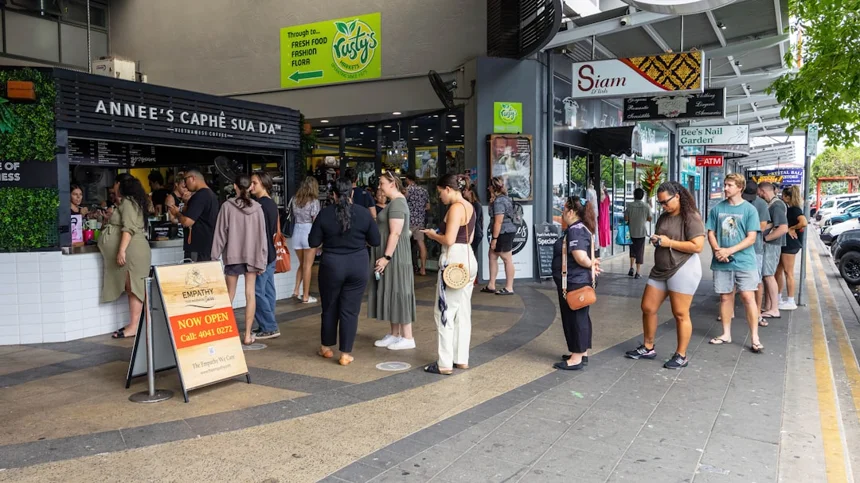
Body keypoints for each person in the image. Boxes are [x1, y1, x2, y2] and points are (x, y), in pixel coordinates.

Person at [625, 182, 705, 369]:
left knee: (680, 313)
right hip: (661, 268)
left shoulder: (691, 217)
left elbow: (697, 246)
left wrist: (669, 242)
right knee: (647, 307)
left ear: (677, 196)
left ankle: (681, 355)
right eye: (660, 203)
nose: (663, 206)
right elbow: (663, 237)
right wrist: (657, 240)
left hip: (683, 267)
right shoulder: (663, 217)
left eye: (666, 202)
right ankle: (648, 346)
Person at [308, 178, 381, 366]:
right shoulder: (364, 214)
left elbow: (313, 242)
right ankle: (346, 354)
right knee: (350, 310)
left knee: (330, 306)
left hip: (331, 265)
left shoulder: (324, 214)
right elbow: (375, 241)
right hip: (358, 265)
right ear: (352, 194)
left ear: (333, 195)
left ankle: (326, 347)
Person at [421, 174, 477, 375]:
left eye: (440, 193)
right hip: (469, 258)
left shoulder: (455, 208)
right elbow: (468, 236)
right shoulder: (470, 206)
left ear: (448, 189)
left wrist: (432, 235)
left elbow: (449, 239)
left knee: (444, 311)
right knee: (462, 311)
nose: (439, 198)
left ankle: (444, 362)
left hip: (453, 259)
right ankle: (461, 358)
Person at [707, 174, 764, 353]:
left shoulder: (749, 210)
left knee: (748, 297)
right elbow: (711, 232)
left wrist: (728, 251)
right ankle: (726, 334)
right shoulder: (717, 209)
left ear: (740, 187)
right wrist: (718, 251)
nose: (725, 188)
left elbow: (751, 238)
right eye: (725, 185)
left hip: (745, 261)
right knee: (725, 297)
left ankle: (755, 337)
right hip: (722, 260)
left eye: (729, 185)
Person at [211, 174, 268, 346]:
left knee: (229, 294)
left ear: (235, 186)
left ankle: (225, 333)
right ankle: (248, 335)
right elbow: (262, 237)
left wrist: (214, 257)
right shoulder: (258, 208)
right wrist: (262, 260)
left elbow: (220, 234)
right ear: (250, 187)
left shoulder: (227, 207)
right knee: (250, 295)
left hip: (232, 256)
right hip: (252, 257)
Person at [99, 174, 152, 339]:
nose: (112, 188)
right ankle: (137, 325)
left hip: (132, 251)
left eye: (114, 183)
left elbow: (129, 228)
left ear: (120, 184)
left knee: (134, 288)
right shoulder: (130, 202)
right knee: (133, 288)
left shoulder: (128, 202)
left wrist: (121, 250)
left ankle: (135, 326)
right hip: (133, 250)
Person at [369, 171, 417, 350]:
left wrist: (386, 257)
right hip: (392, 255)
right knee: (392, 290)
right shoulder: (395, 203)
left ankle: (407, 337)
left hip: (394, 256)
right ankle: (395, 334)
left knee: (399, 291)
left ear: (392, 184)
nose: (379, 186)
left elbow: (395, 233)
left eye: (381, 183)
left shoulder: (397, 204)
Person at [553, 196, 600, 370]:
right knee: (580, 316)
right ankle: (581, 351)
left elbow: (580, 256)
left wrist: (590, 264)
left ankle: (576, 358)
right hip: (577, 280)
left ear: (571, 212)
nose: (563, 213)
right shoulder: (583, 228)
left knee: (575, 317)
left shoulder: (575, 230)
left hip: (574, 281)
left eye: (564, 210)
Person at [735, 180, 772, 326]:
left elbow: (762, 226)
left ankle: (757, 313)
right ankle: (728, 311)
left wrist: (746, 229)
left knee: (756, 281)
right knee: (731, 281)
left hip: (754, 248)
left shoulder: (761, 204)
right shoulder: (734, 202)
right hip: (734, 246)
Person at [249, 171, 280, 339]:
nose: (251, 186)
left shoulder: (259, 205)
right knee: (267, 291)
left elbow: (258, 235)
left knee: (256, 292)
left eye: (254, 183)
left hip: (263, 254)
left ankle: (269, 326)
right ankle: (267, 324)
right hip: (270, 253)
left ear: (263, 183)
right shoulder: (271, 204)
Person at [167, 168, 219, 262]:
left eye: (185, 180)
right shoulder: (211, 195)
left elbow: (187, 222)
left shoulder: (200, 196)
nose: (185, 185)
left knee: (194, 275)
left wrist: (177, 213)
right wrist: (187, 203)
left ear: (192, 178)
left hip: (197, 247)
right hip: (207, 245)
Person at [758, 181, 788, 320]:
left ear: (763, 191)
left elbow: (783, 228)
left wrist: (766, 239)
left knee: (769, 275)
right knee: (767, 275)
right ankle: (769, 306)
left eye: (759, 193)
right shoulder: (774, 204)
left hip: (772, 245)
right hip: (772, 244)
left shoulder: (776, 205)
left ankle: (775, 308)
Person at [289, 176, 321, 304]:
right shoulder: (314, 201)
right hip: (309, 231)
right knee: (308, 266)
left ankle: (296, 290)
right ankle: (306, 296)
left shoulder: (294, 199)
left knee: (302, 264)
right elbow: (316, 221)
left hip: (297, 231)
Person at [482, 176, 516, 296]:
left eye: (489, 186)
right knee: (492, 255)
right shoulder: (503, 198)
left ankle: (509, 287)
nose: (487, 188)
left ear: (493, 187)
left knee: (507, 259)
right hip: (506, 231)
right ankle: (491, 284)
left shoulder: (499, 201)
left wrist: (494, 239)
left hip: (503, 232)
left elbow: (498, 221)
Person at [777, 185, 807, 311]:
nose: (782, 198)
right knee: (778, 271)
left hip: (790, 244)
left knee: (788, 273)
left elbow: (804, 222)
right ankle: (778, 298)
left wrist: (791, 228)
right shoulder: (790, 209)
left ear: (788, 197)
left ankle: (791, 300)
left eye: (783, 196)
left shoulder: (794, 210)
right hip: (786, 244)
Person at [405, 175, 430, 276]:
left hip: (408, 221)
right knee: (421, 244)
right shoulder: (424, 191)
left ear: (408, 179)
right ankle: (423, 269)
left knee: (405, 244)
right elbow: (428, 207)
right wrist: (419, 211)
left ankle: (407, 268)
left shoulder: (407, 190)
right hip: (420, 222)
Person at [624, 188, 652, 279]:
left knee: (632, 250)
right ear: (642, 196)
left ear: (634, 195)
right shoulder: (646, 206)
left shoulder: (629, 205)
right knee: (640, 251)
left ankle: (631, 268)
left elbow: (626, 219)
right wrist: (643, 219)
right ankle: (638, 272)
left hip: (631, 231)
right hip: (641, 232)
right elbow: (650, 218)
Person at [463, 177, 484, 258]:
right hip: (474, 232)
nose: (463, 192)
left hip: (475, 233)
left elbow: (474, 219)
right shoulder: (471, 204)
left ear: (470, 192)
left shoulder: (476, 205)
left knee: (469, 254)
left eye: (465, 190)